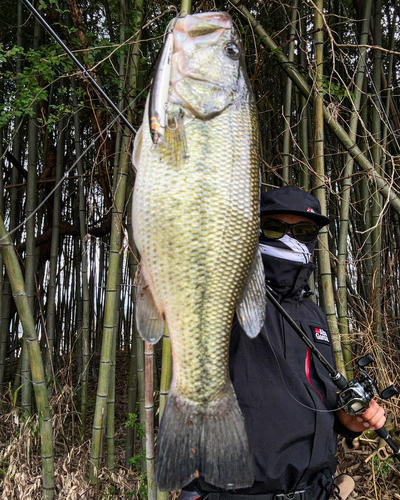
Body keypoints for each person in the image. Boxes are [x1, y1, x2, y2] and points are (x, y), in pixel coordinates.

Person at [180, 186, 386, 500]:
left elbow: (320, 401)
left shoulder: (314, 313)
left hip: (316, 491)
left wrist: (352, 419)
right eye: (274, 228)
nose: (290, 239)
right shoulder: (230, 300)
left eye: (303, 231)